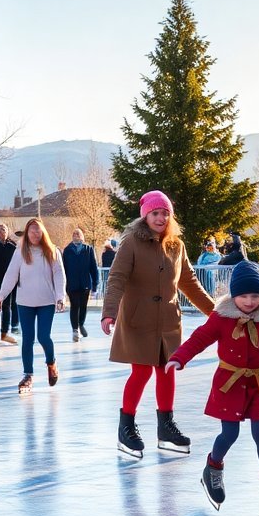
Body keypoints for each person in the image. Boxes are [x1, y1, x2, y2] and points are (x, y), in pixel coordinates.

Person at [168, 261, 259, 516]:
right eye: (243, 296)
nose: (250, 302)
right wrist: (179, 357)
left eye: (255, 295)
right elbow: (199, 338)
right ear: (233, 295)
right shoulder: (221, 318)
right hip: (229, 385)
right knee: (229, 434)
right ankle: (213, 467)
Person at [102, 190, 216, 457]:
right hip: (138, 319)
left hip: (167, 321)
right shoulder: (131, 242)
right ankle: (126, 427)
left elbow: (189, 282)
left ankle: (166, 427)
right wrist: (109, 312)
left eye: (165, 213)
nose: (161, 217)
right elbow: (116, 278)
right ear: (145, 216)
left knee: (167, 370)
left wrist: (215, 313)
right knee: (141, 372)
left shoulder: (177, 245)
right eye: (155, 213)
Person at [0, 218, 66, 393]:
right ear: (27, 233)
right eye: (32, 230)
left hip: (46, 301)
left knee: (43, 337)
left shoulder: (52, 251)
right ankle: (28, 375)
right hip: (25, 302)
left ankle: (51, 363)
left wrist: (60, 296)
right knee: (27, 339)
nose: (35, 233)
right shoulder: (20, 252)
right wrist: (1, 295)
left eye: (38, 230)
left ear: (43, 232)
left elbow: (59, 275)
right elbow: (11, 274)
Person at [61, 228, 99, 342]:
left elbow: (94, 267)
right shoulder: (67, 250)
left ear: (82, 236)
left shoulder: (88, 249)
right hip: (72, 284)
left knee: (83, 306)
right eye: (74, 233)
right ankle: (75, 330)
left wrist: (95, 284)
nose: (76, 235)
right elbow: (64, 268)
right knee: (74, 305)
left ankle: (81, 324)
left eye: (78, 233)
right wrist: (63, 285)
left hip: (85, 283)